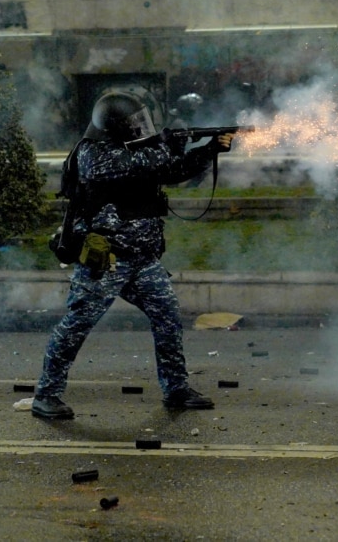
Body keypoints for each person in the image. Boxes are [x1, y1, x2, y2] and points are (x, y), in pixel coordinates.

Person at [32, 91, 234, 419]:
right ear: (114, 126)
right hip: (106, 260)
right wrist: (174, 146)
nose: (141, 128)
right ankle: (46, 394)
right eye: (133, 123)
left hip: (142, 260)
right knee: (77, 324)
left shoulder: (140, 150)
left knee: (168, 316)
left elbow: (173, 170)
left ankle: (176, 389)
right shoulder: (92, 153)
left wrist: (208, 150)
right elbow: (146, 165)